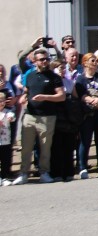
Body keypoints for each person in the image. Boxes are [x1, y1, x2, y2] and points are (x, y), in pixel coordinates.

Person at [12, 48, 65, 185]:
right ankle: (24, 173)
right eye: (42, 59)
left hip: (47, 117)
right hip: (29, 116)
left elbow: (61, 96)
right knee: (26, 147)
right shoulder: (30, 76)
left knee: (45, 148)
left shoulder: (54, 77)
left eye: (47, 58)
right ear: (35, 61)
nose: (45, 61)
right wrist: (23, 97)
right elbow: (27, 91)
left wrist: (44, 97)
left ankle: (44, 173)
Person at [75, 53, 98, 178]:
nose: (96, 63)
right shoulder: (80, 79)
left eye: (96, 61)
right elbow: (81, 95)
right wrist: (92, 100)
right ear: (85, 63)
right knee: (85, 140)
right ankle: (82, 167)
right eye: (92, 60)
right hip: (87, 114)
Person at [0, 93, 15, 186]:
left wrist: (10, 118)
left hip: (6, 141)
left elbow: (12, 117)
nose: (1, 103)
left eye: (2, 101)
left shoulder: (8, 111)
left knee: (5, 160)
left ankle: (4, 177)